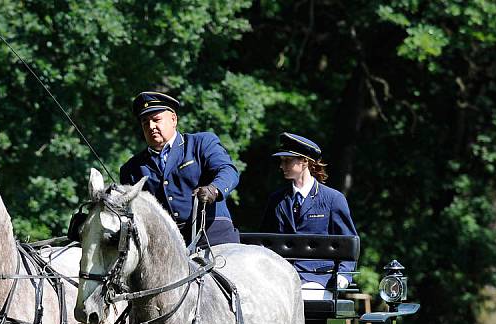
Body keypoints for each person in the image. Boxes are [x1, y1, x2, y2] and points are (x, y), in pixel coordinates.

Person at [119, 90, 241, 246]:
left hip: (213, 237)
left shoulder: (201, 143)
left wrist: (214, 189)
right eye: (145, 122)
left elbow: (228, 170)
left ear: (173, 119)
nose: (151, 126)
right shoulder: (131, 168)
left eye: (156, 119)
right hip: (166, 247)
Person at [261, 132, 358, 289]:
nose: (281, 166)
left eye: (287, 161)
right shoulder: (276, 200)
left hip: (318, 279)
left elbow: (348, 243)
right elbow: (264, 241)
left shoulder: (333, 199)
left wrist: (343, 276)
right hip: (280, 278)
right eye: (281, 161)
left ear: (304, 161)